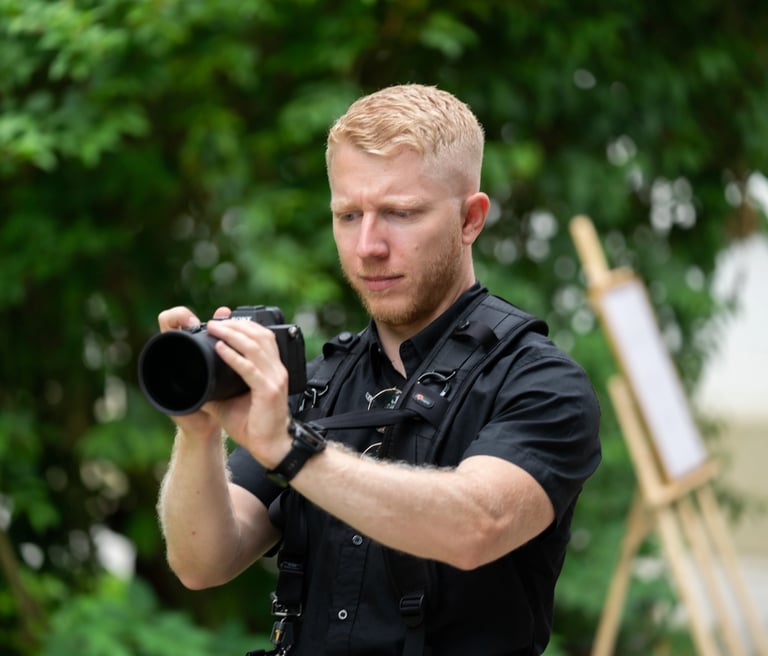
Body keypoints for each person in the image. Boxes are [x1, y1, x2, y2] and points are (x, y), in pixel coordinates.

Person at [155, 83, 601, 656]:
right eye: (348, 214)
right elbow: (202, 562)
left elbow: (474, 526)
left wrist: (290, 449)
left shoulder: (539, 383)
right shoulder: (314, 384)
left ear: (471, 219)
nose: (368, 246)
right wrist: (199, 433)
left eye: (400, 213)